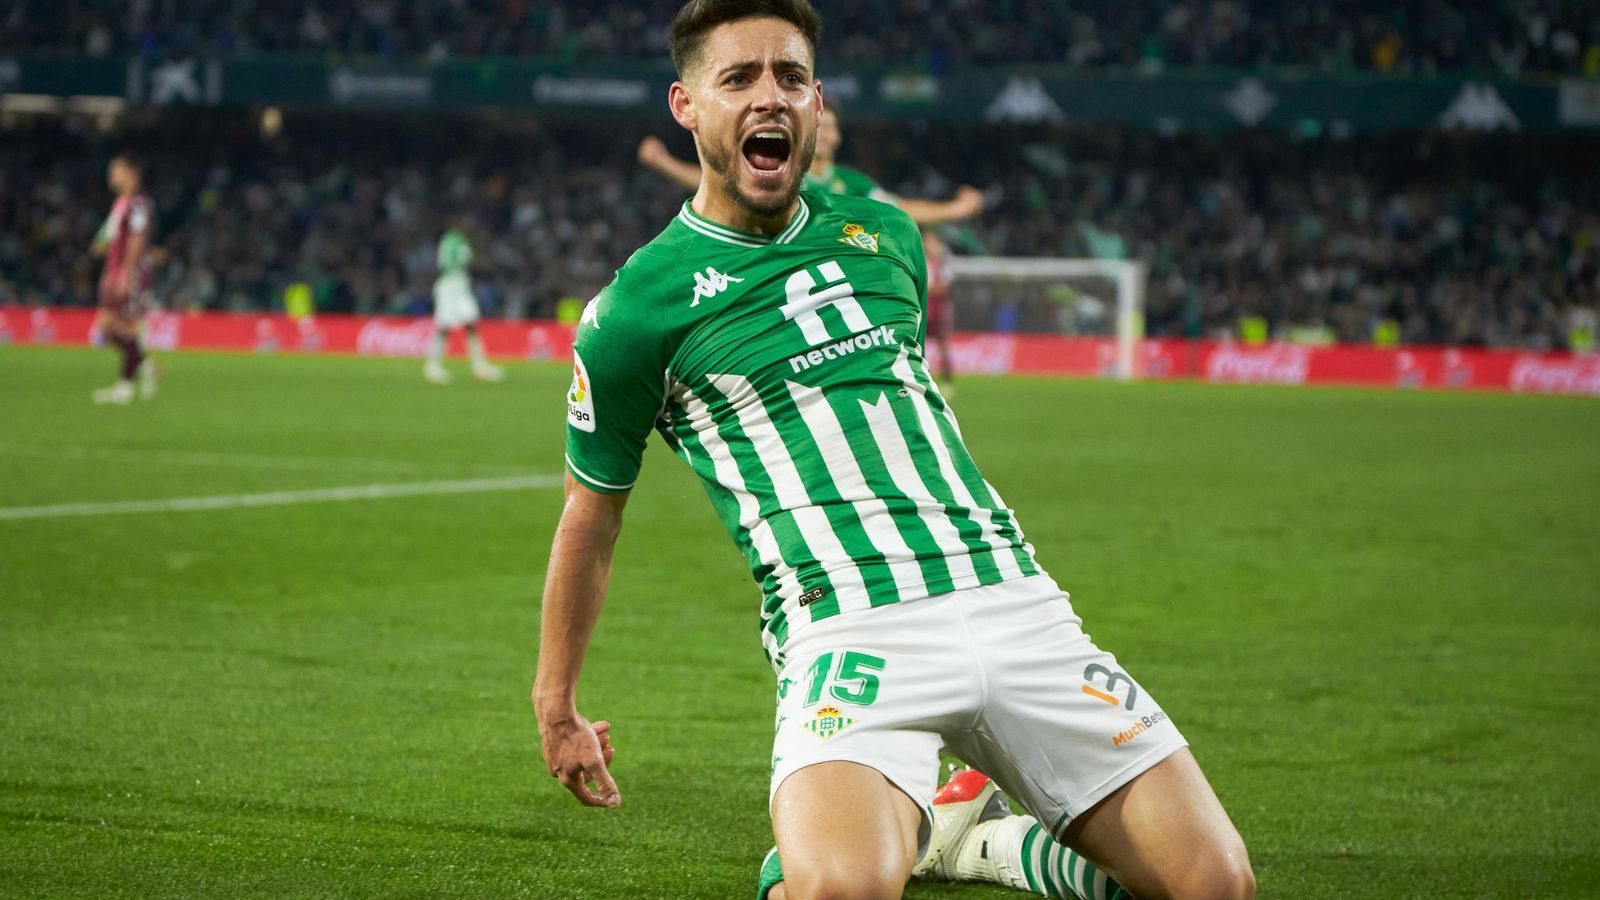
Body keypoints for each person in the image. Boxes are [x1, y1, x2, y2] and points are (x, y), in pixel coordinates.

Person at [533, 3, 1256, 900]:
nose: (771, 97)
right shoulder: (633, 312)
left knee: (1217, 885)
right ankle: (889, 839)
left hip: (1013, 600)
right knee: (843, 892)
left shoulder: (887, 240)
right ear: (687, 105)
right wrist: (555, 704)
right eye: (740, 78)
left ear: (818, 101)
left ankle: (972, 838)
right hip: (849, 626)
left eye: (791, 78)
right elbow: (590, 515)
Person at [639, 106, 984, 225]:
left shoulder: (854, 184)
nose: (827, 131)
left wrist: (956, 209)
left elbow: (902, 209)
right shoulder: (779, 172)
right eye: (821, 124)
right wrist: (664, 162)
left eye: (832, 126)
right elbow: (712, 182)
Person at [90, 152, 159, 405]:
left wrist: (126, 274)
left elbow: (136, 239)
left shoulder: (138, 203)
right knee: (110, 328)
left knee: (116, 325)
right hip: (116, 271)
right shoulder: (120, 203)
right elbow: (107, 241)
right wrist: (108, 270)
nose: (112, 176)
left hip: (131, 273)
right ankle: (143, 368)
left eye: (116, 170)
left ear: (132, 173)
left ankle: (127, 385)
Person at [424, 220, 503, 383]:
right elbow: (464, 261)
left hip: (457, 285)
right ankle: (432, 366)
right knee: (445, 326)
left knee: (471, 323)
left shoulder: (446, 240)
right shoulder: (459, 241)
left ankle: (479, 366)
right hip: (452, 286)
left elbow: (441, 264)